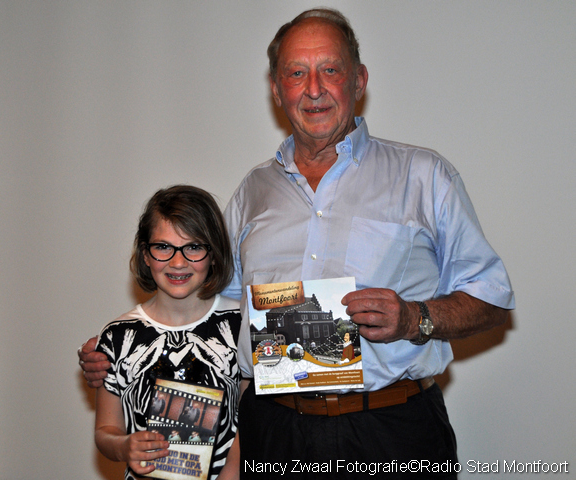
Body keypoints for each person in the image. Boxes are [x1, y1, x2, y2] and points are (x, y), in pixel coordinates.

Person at [81, 8, 515, 479]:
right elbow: (211, 308)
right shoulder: (252, 192)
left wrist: (415, 318)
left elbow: (492, 299)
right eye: (296, 73)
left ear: (359, 80)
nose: (313, 88)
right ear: (276, 89)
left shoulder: (424, 176)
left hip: (391, 429)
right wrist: (124, 352)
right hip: (274, 432)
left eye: (330, 69)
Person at [93, 185, 241, 480]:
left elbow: (252, 420)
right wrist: (124, 447)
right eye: (163, 247)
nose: (178, 262)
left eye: (194, 247)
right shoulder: (117, 336)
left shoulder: (241, 325)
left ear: (214, 254)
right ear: (145, 255)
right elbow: (105, 430)